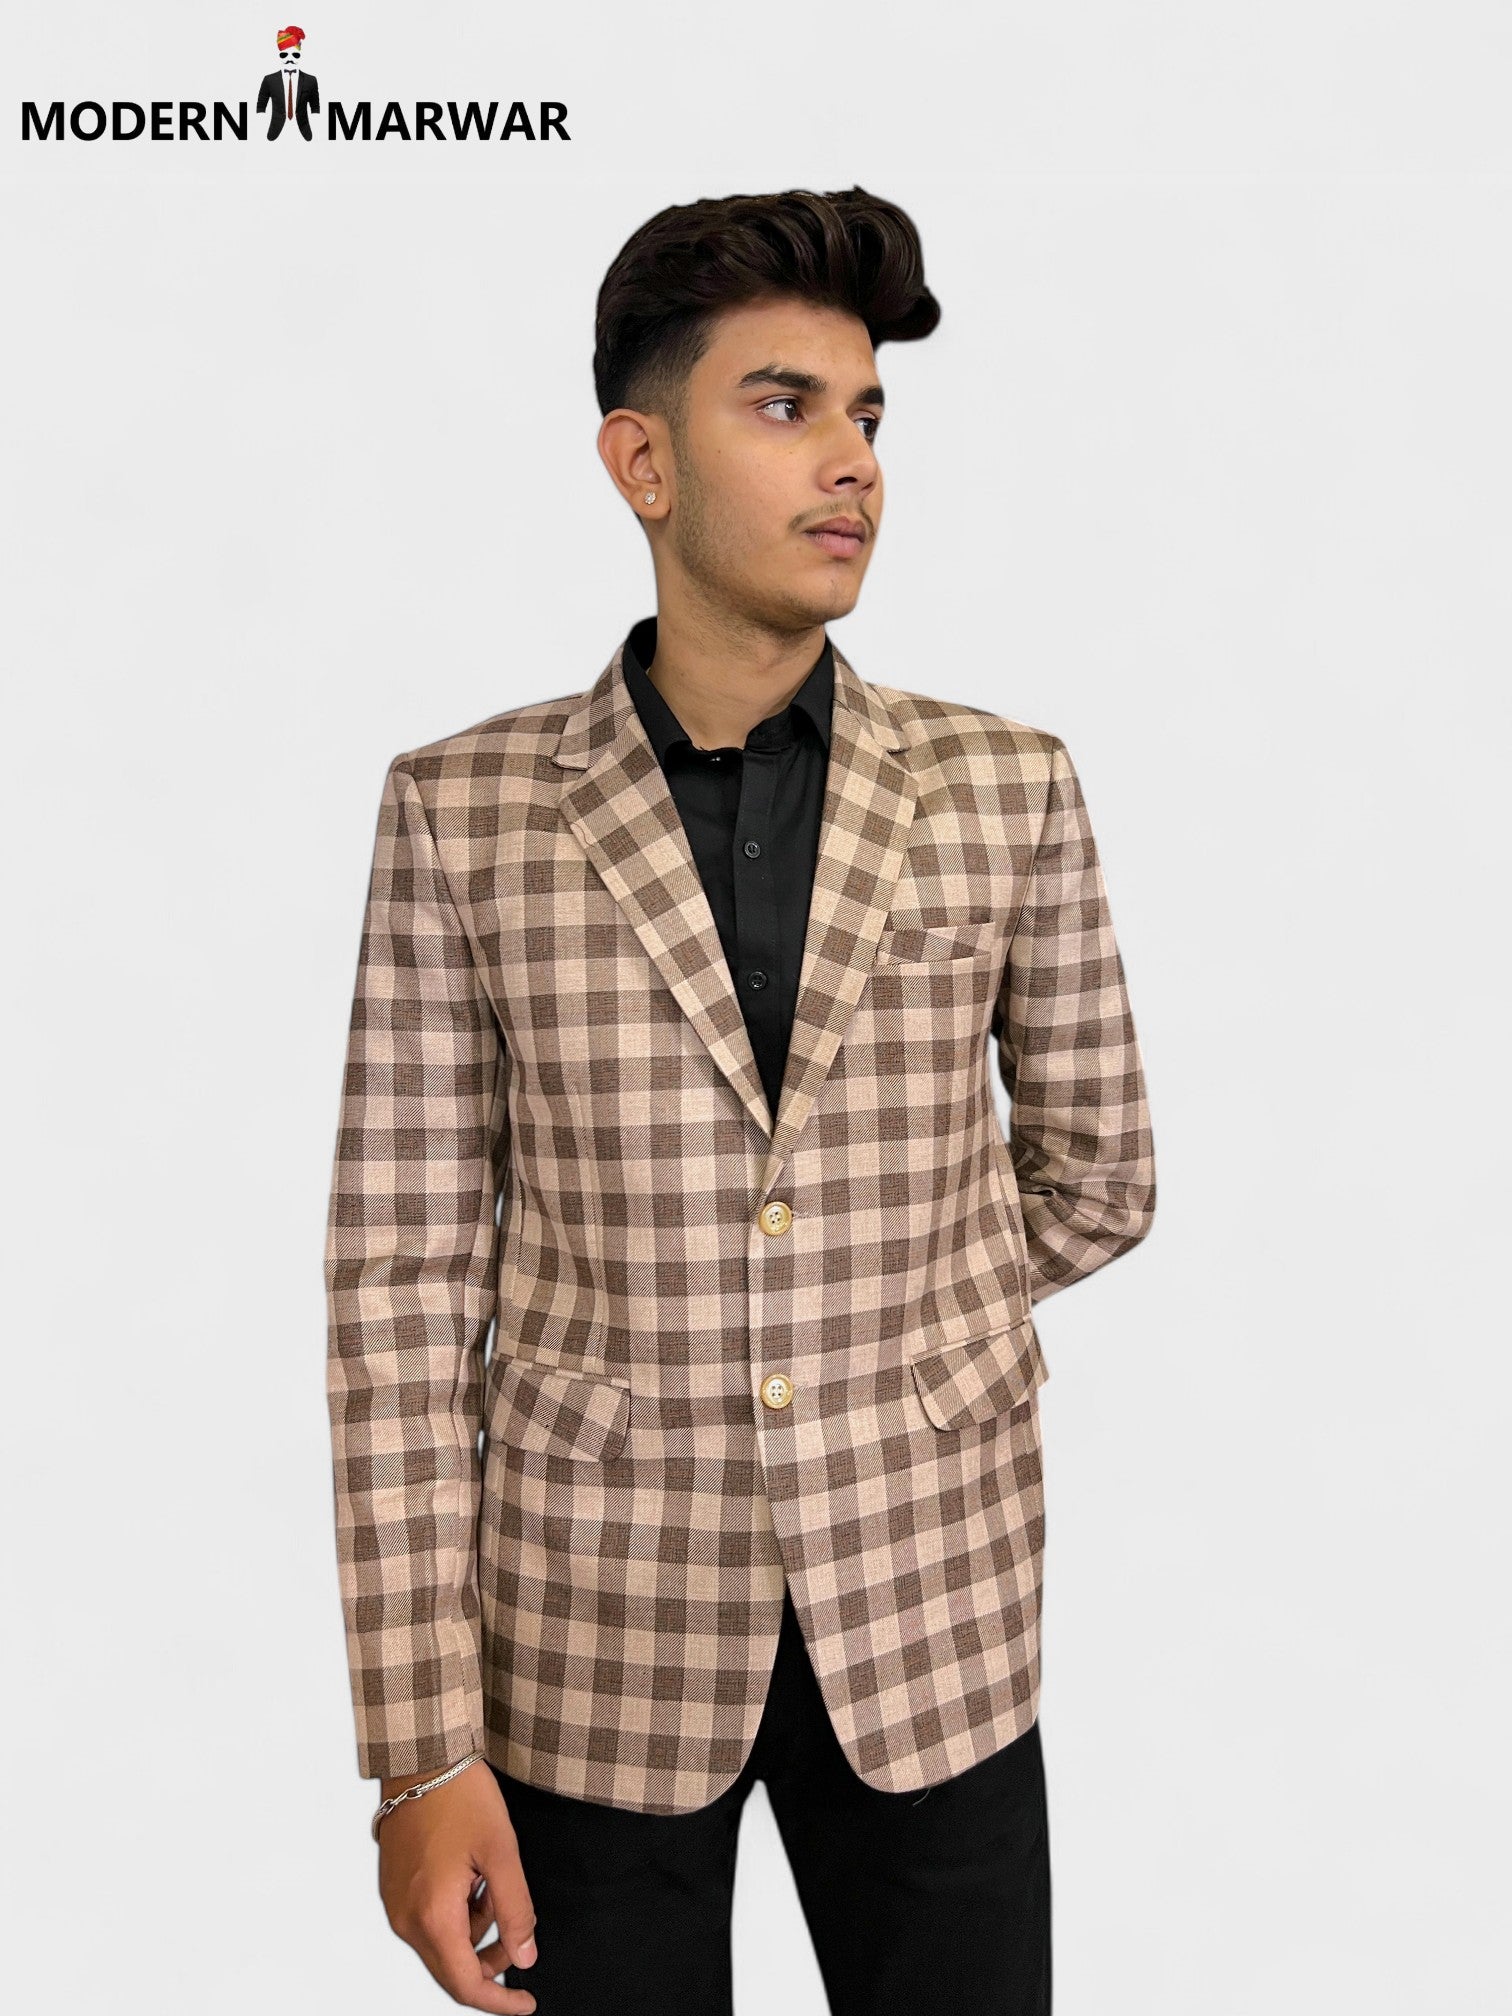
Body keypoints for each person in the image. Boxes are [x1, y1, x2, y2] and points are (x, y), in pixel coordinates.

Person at [323, 184, 1157, 2016]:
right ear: (643, 460)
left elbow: (1102, 1173)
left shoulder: (1006, 786)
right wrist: (418, 1752)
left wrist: (891, 1310)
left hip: (935, 1607)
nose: (852, 461)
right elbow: (397, 1291)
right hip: (588, 1633)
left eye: (869, 415)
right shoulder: (461, 813)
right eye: (784, 406)